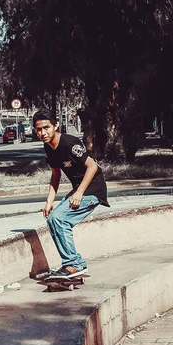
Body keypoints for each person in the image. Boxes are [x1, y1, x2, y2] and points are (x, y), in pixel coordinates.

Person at [33, 109, 109, 278]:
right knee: (52, 220)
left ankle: (74, 264)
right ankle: (73, 263)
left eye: (46, 127)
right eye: (38, 129)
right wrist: (49, 201)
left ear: (56, 126)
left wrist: (79, 193)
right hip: (79, 190)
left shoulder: (69, 143)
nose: (43, 133)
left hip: (92, 189)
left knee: (59, 219)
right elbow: (55, 174)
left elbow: (93, 166)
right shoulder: (48, 147)